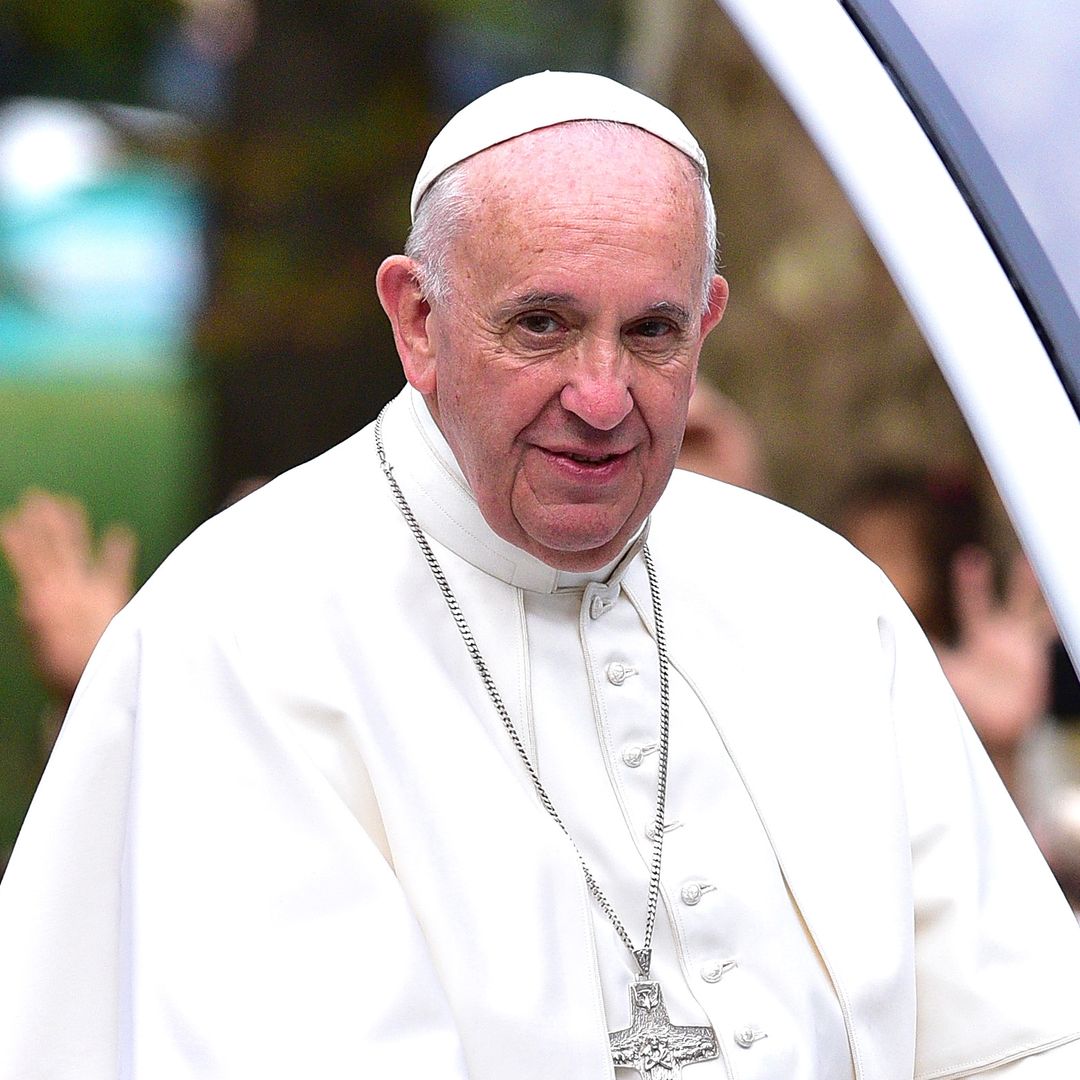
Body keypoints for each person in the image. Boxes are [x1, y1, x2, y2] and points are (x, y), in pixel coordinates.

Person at [1, 71, 1078, 1080]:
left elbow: (1026, 1035)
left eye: (651, 332)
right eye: (543, 325)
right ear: (418, 321)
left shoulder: (820, 600)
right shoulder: (244, 629)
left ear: (706, 323)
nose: (602, 397)